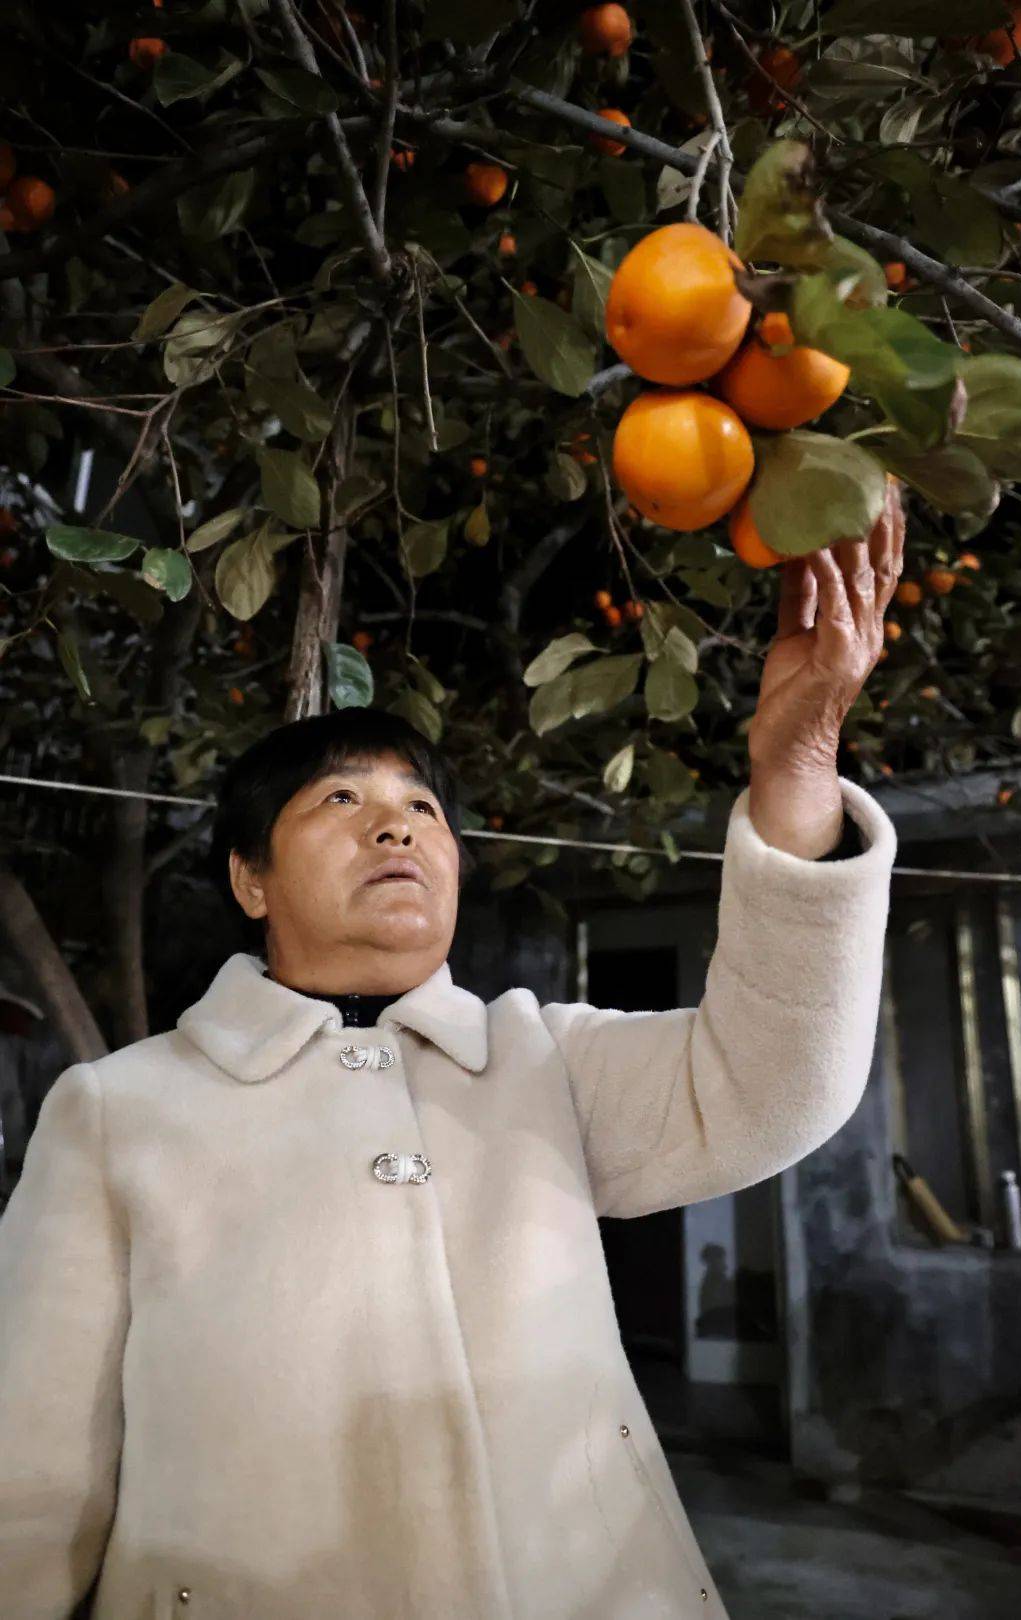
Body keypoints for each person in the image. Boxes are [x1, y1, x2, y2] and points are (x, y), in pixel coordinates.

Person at [0, 491, 905, 1618]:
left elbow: (778, 1084)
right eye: (341, 800)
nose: (397, 827)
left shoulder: (544, 1060)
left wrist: (798, 769)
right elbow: (29, 1473)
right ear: (250, 881)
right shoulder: (117, 1110)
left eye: (421, 808)